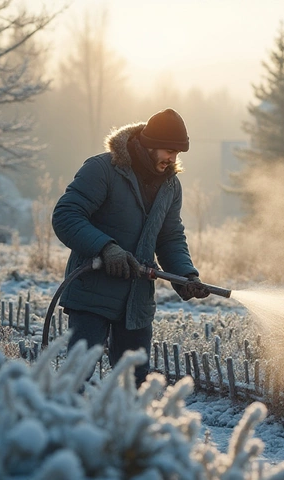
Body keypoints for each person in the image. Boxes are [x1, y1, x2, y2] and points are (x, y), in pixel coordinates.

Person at [52, 108, 210, 387]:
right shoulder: (102, 169)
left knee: (135, 383)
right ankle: (63, 427)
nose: (173, 159)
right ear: (148, 145)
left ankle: (126, 431)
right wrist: (105, 248)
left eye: (178, 153)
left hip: (136, 302)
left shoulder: (171, 186)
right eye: (168, 151)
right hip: (92, 294)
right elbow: (66, 216)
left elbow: (170, 237)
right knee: (76, 376)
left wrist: (186, 275)